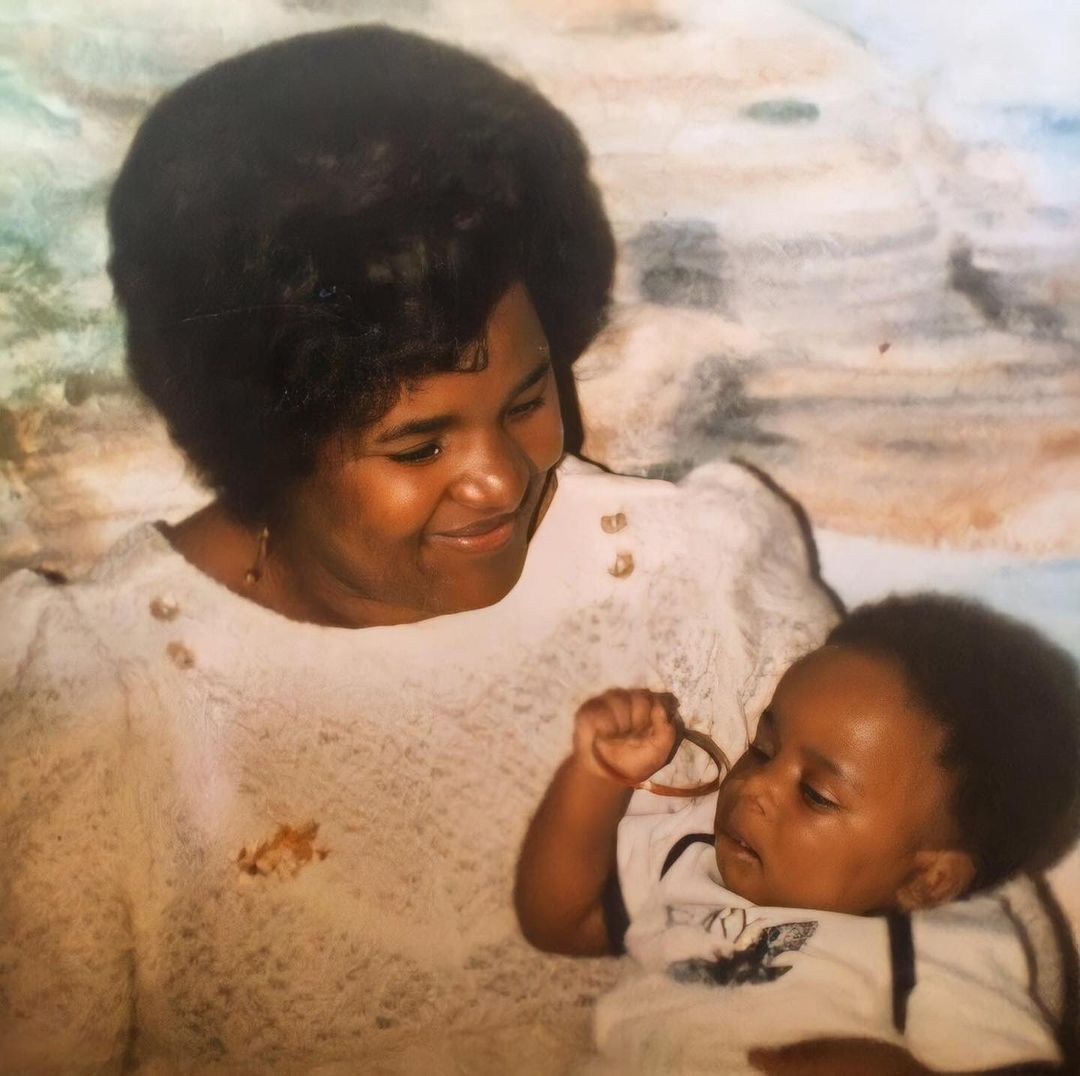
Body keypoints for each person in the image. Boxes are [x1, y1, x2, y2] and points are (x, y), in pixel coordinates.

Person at [0, 26, 837, 1074]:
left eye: (527, 400)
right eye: (418, 445)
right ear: (264, 447)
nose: (502, 478)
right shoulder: (103, 702)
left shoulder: (694, 583)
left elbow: (946, 931)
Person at [516, 594, 1080, 1073]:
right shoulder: (693, 853)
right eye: (763, 749)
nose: (757, 787)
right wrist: (595, 777)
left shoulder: (936, 947)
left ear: (927, 879)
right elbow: (559, 921)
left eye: (816, 794)